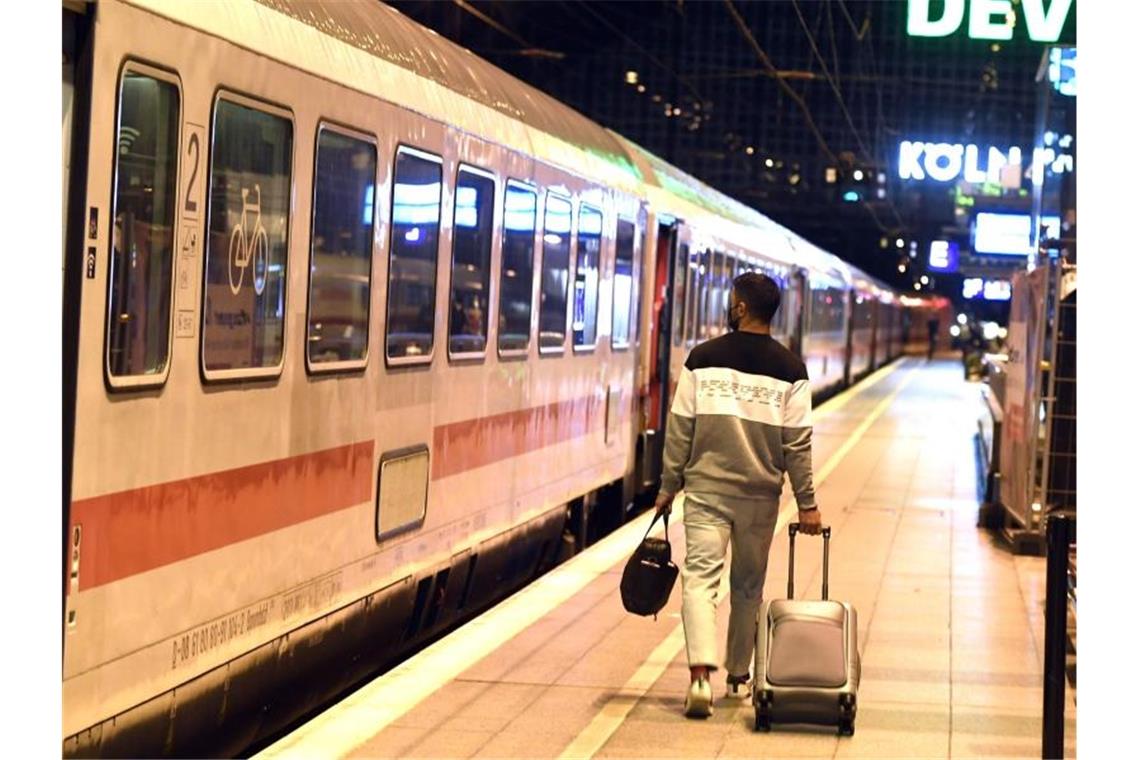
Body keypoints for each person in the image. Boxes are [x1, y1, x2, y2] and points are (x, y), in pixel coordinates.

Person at [654, 272, 822, 719]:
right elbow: (797, 444)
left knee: (699, 581)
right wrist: (807, 503)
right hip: (759, 497)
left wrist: (669, 485)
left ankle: (699, 679)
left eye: (732, 301)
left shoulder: (701, 360)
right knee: (748, 585)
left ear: (742, 308)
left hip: (707, 490)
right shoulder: (792, 370)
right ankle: (737, 676)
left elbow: (680, 430)